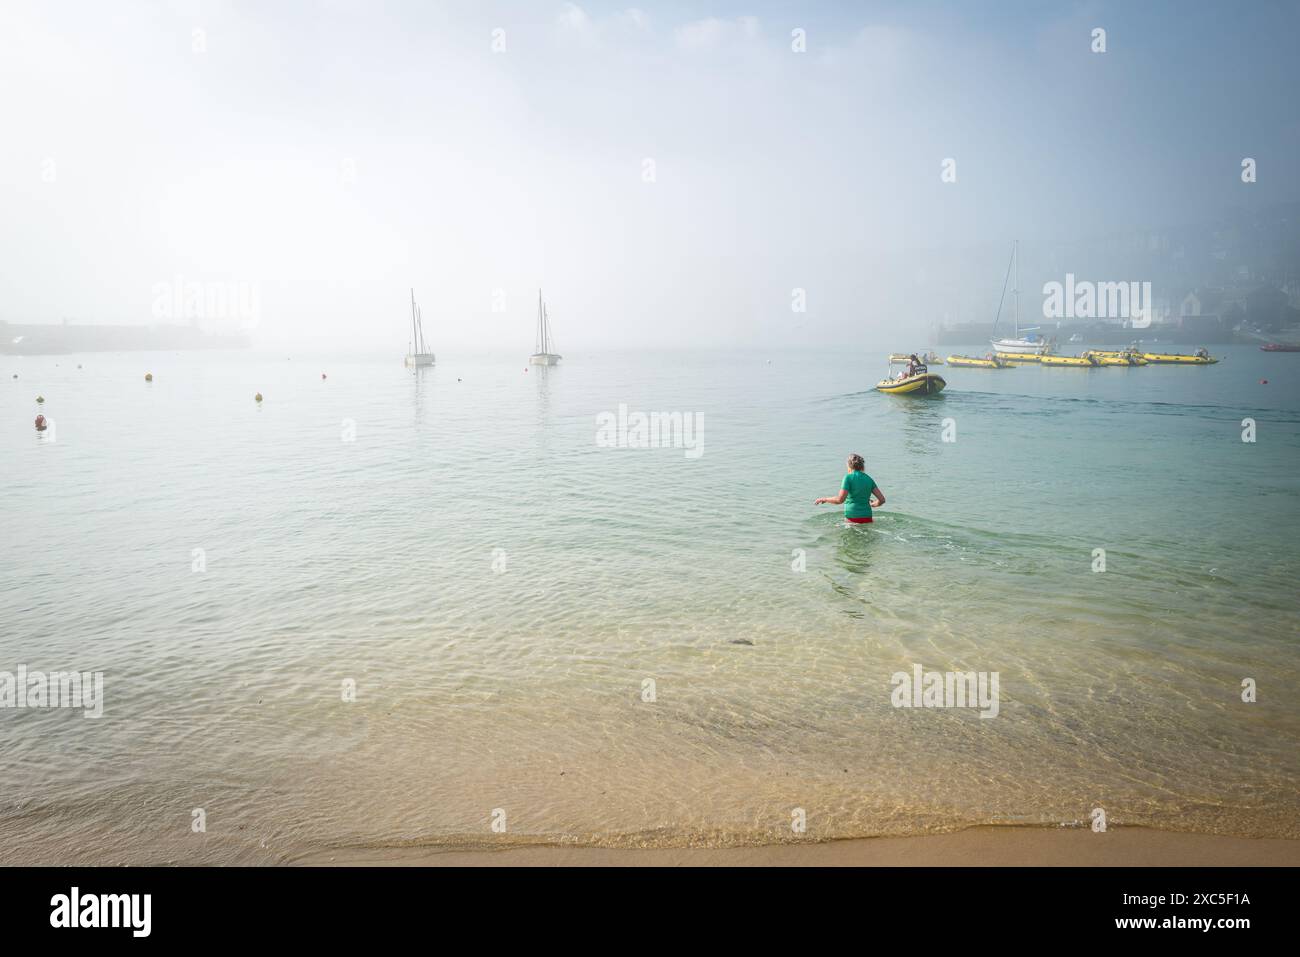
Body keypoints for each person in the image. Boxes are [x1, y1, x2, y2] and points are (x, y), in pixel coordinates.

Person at [814, 453, 885, 524]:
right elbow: (882, 500)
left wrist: (825, 499)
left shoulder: (848, 478)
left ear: (849, 466)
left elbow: (840, 500)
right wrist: (873, 504)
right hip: (867, 517)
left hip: (852, 518)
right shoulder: (869, 479)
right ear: (862, 466)